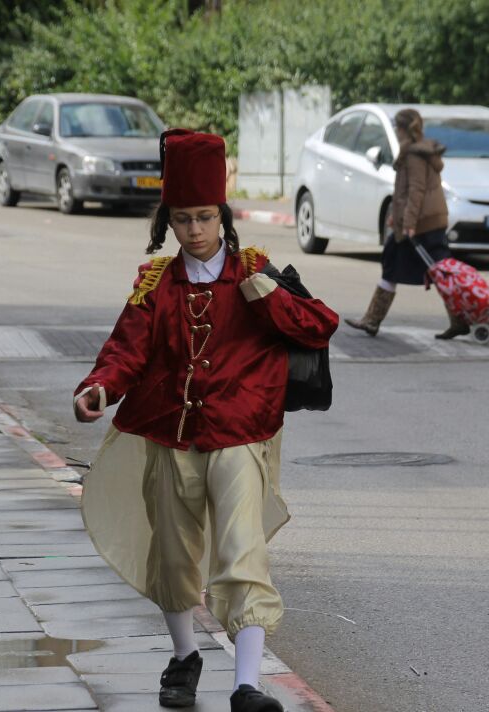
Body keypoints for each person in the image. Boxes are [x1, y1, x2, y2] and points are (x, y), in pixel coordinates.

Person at [74, 129, 337, 712]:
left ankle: (247, 686)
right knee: (171, 553)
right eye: (182, 219)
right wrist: (98, 388)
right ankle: (185, 654)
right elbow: (126, 350)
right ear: (168, 222)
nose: (194, 230)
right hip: (171, 435)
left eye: (204, 217)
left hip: (241, 433)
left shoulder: (254, 270)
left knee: (242, 550)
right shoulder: (155, 284)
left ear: (223, 215)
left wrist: (262, 292)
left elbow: (318, 325)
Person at [345, 107, 469, 340]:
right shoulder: (418, 151)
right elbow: (406, 191)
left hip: (422, 223)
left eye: (395, 127)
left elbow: (416, 191)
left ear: (401, 129)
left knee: (437, 272)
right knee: (433, 271)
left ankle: (460, 319)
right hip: (423, 221)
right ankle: (373, 320)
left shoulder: (414, 154)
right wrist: (397, 216)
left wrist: (409, 223)